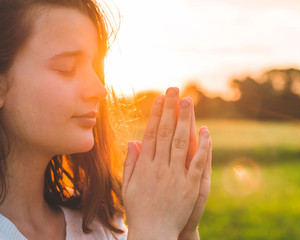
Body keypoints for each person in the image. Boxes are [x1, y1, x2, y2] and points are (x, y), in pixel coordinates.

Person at [0, 0, 212, 239]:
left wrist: (183, 229)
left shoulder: (101, 224)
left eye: (95, 68)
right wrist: (154, 230)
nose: (99, 89)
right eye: (66, 67)